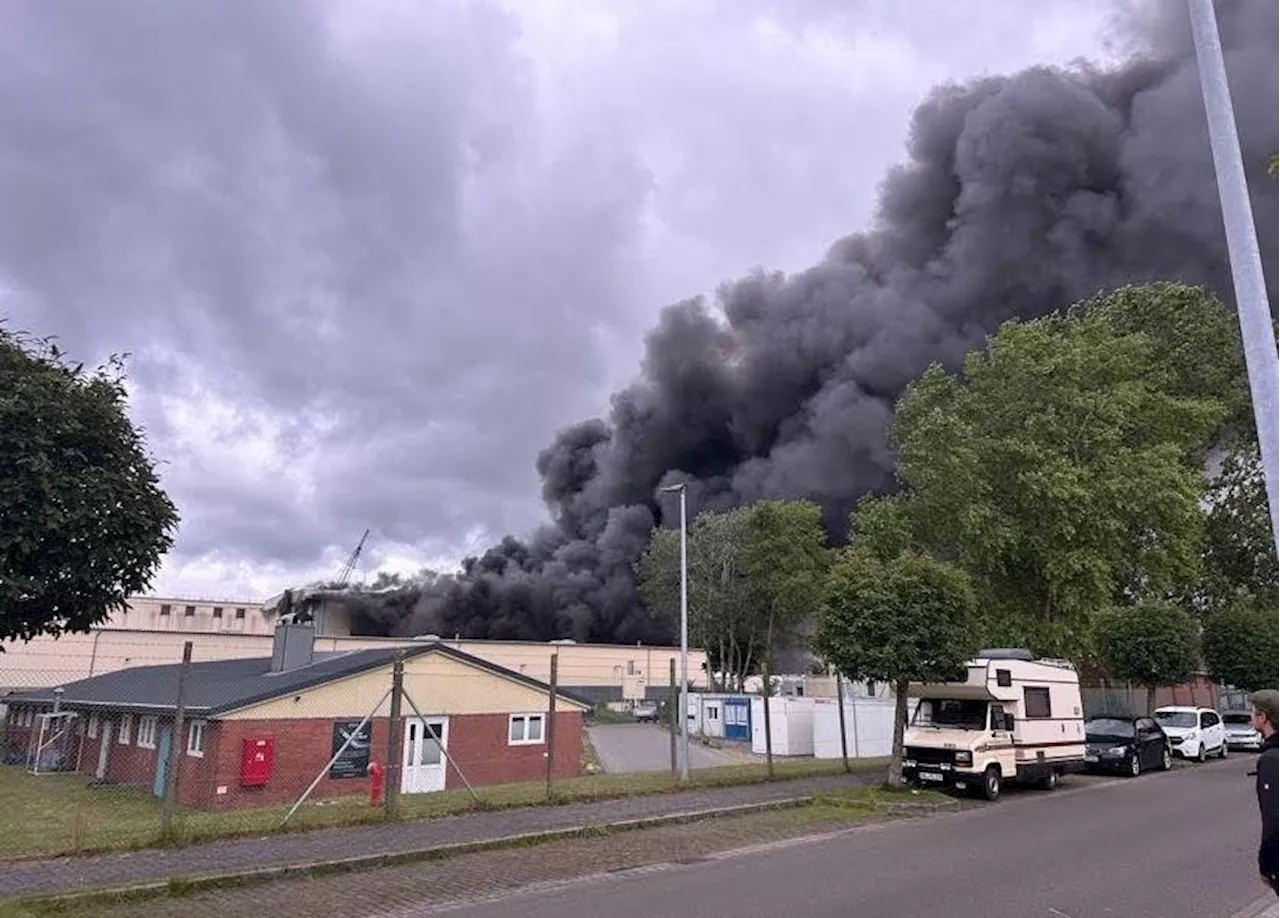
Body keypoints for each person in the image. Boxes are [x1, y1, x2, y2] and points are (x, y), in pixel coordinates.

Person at [1252, 689, 1280, 894]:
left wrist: (1266, 863)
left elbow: (1274, 819)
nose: (1250, 717)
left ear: (1263, 718)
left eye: (1253, 713)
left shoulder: (1271, 760)